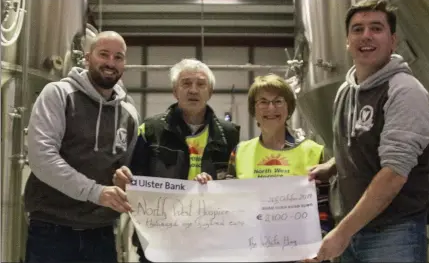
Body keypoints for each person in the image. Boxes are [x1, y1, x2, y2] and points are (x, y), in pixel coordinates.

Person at [304, 0, 429, 262]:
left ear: (393, 40)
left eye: (376, 28)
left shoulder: (404, 91)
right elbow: (358, 142)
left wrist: (341, 233)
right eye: (357, 29)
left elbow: (393, 174)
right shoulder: (346, 91)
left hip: (394, 234)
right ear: (347, 41)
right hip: (355, 229)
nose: (366, 36)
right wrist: (331, 166)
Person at [23, 31, 140, 263]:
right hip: (52, 229)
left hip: (102, 232)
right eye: (103, 54)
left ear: (124, 64)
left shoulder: (128, 110)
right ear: (87, 58)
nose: (110, 63)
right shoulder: (59, 94)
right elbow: (42, 158)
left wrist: (123, 179)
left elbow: (127, 165)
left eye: (118, 57)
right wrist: (96, 192)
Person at [113, 58, 240, 263]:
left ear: (210, 92)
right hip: (160, 243)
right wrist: (122, 181)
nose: (193, 90)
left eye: (200, 84)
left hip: (209, 244)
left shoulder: (229, 135)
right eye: (186, 83)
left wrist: (215, 186)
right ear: (174, 91)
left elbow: (237, 186)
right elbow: (133, 179)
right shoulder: (151, 129)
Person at [195, 73, 334, 248]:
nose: (271, 108)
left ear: (289, 107)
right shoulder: (240, 152)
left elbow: (323, 207)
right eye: (263, 102)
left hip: (299, 251)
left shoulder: (314, 151)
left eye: (278, 101)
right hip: (252, 250)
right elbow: (229, 204)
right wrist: (207, 187)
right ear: (254, 110)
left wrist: (319, 244)